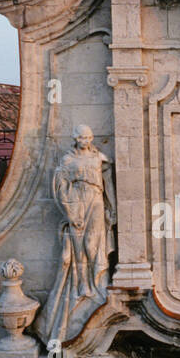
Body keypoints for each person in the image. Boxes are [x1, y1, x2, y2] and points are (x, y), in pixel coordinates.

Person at [36, 126, 116, 344]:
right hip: (77, 202)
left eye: (89, 136)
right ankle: (83, 287)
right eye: (82, 137)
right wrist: (70, 210)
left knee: (93, 244)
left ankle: (98, 285)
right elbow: (59, 186)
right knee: (79, 247)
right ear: (75, 138)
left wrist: (114, 208)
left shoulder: (100, 158)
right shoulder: (68, 160)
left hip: (96, 200)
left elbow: (108, 184)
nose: (85, 140)